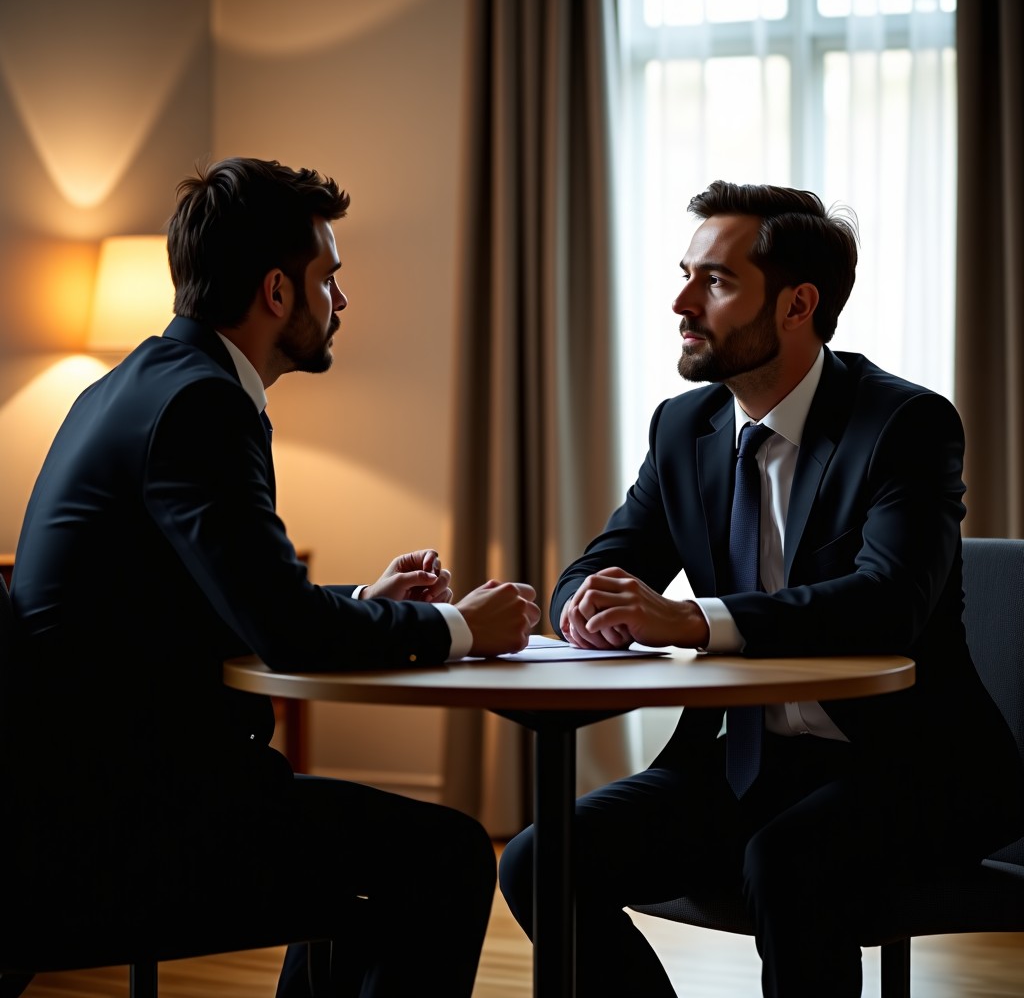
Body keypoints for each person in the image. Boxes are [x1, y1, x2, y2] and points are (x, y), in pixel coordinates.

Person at [3, 156, 540, 997]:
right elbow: (287, 633)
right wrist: (463, 628)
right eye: (331, 276)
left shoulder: (133, 386)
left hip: (81, 791)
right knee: (451, 854)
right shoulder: (202, 407)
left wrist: (363, 601)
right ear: (277, 292)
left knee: (383, 863)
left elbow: (229, 604)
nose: (343, 300)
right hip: (124, 820)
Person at [498, 181, 1024, 997]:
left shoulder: (903, 425)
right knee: (540, 860)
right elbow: (606, 561)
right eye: (686, 274)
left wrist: (692, 620)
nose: (681, 300)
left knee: (786, 862)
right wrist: (589, 605)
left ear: (796, 305)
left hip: (915, 769)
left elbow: (886, 603)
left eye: (714, 281)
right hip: (751, 764)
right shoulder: (686, 427)